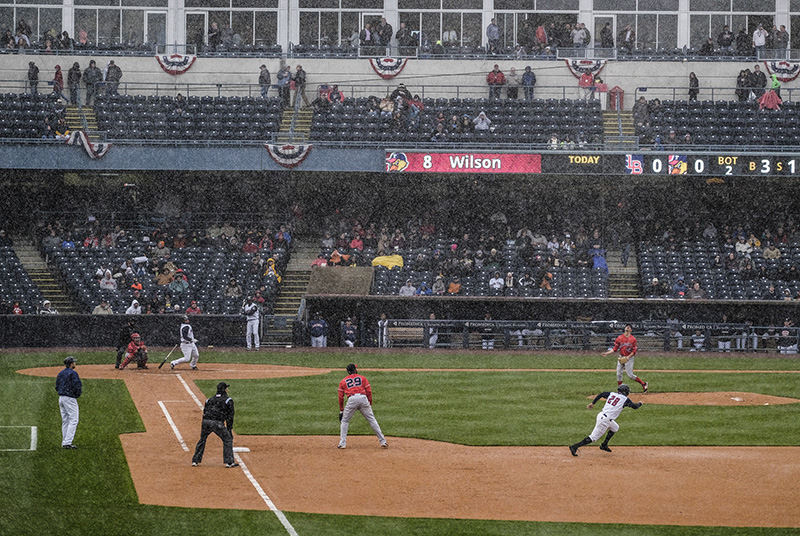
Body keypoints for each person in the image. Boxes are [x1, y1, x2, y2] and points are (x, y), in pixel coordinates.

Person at [569, 384, 643, 456]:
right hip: (605, 420)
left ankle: (604, 445)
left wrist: (593, 403)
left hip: (602, 415)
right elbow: (635, 407)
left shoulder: (611, 394)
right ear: (625, 392)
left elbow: (601, 394)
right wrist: (640, 403)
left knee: (615, 427)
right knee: (593, 438)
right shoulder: (625, 400)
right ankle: (574, 446)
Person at [337, 364, 388, 449]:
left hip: (352, 399)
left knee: (345, 421)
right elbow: (369, 391)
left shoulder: (343, 381)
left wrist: (341, 410)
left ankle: (342, 443)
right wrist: (369, 403)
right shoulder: (362, 378)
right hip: (363, 398)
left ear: (348, 371)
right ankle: (383, 441)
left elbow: (340, 397)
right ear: (355, 370)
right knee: (372, 419)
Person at [191, 382, 238, 468]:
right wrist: (229, 428)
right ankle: (229, 462)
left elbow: (205, 411)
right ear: (224, 389)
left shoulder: (209, 399)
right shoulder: (228, 400)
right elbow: (230, 416)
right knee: (227, 439)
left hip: (206, 421)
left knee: (202, 439)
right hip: (217, 423)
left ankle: (195, 460)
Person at [601, 324, 648, 392]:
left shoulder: (633, 339)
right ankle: (620, 389)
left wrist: (628, 357)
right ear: (624, 329)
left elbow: (634, 351)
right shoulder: (619, 338)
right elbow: (615, 349)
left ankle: (643, 384)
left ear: (631, 330)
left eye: (629, 327)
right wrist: (606, 353)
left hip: (629, 358)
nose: (627, 327)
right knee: (618, 373)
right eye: (627, 326)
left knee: (630, 375)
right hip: (621, 357)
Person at [56, 356, 82, 449]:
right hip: (70, 398)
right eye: (74, 362)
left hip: (61, 398)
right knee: (74, 420)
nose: (75, 363)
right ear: (71, 364)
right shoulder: (73, 373)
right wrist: (77, 394)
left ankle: (65, 441)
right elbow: (77, 386)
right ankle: (67, 442)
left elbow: (57, 385)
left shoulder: (61, 373)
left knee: (65, 420)